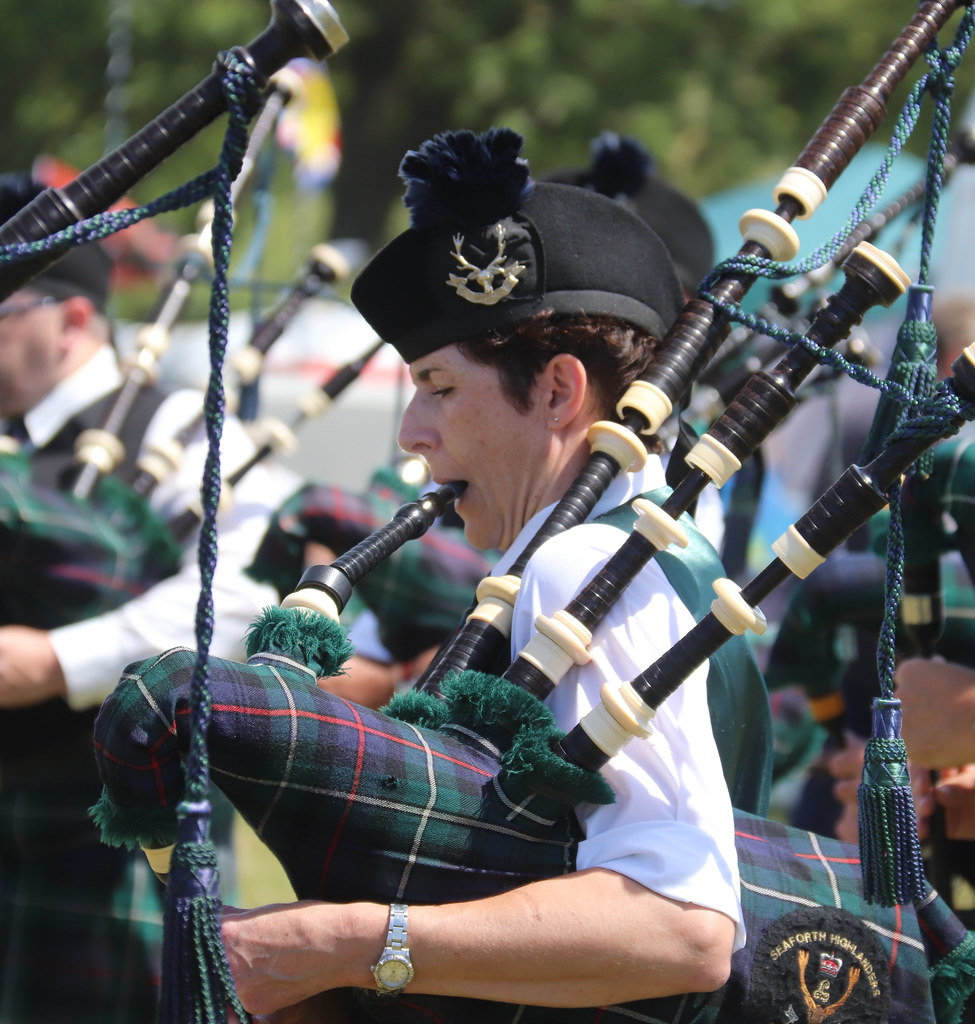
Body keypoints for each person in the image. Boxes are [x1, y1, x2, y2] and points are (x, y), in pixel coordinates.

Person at [220, 127, 770, 1020]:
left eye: (438, 386)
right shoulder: (626, 548)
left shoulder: (587, 567)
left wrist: (339, 944)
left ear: (556, 391)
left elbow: (683, 927)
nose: (411, 432)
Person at [0, 171, 302, 1023]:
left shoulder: (178, 429)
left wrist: (52, 660)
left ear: (73, 318)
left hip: (115, 845)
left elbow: (245, 597)